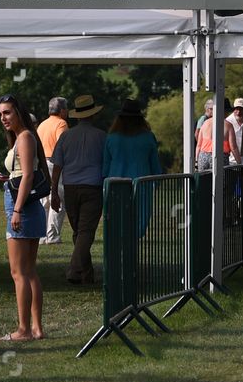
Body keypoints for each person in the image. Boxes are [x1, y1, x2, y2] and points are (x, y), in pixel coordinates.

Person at [0, 94, 49, 341]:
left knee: (19, 272)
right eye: (0, 114)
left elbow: (28, 178)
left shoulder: (24, 137)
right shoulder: (24, 138)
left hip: (22, 207)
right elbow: (24, 173)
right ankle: (36, 328)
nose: (3, 118)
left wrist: (17, 210)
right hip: (25, 205)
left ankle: (24, 329)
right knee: (29, 271)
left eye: (8, 112)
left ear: (19, 112)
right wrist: (5, 179)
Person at [50, 94, 106, 285]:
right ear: (93, 115)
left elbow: (57, 166)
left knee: (80, 232)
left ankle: (82, 272)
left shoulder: (66, 136)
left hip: (70, 188)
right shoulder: (101, 136)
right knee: (84, 232)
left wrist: (54, 192)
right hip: (93, 187)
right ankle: (78, 271)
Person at [103, 99, 164, 236]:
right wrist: (157, 181)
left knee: (117, 216)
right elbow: (155, 164)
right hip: (142, 183)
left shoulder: (111, 138)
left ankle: (121, 241)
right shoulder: (148, 137)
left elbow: (105, 166)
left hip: (115, 183)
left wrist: (104, 181)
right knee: (140, 217)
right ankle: (133, 240)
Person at [37, 97, 70, 244]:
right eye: (67, 108)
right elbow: (62, 146)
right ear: (62, 110)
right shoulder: (61, 123)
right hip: (54, 163)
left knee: (44, 201)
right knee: (59, 200)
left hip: (41, 163)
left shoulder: (42, 125)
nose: (68, 111)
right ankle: (53, 236)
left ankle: (42, 236)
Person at [224, 98, 243, 165]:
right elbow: (232, 146)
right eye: (236, 109)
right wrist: (239, 163)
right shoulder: (227, 121)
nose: (238, 112)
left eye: (241, 109)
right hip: (231, 162)